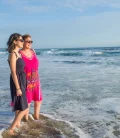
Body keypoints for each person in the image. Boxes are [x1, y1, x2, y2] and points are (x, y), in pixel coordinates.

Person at [6, 33, 28, 135]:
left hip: (22, 81)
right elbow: (13, 72)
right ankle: (11, 129)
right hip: (17, 82)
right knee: (25, 108)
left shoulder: (18, 53)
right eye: (21, 40)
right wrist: (18, 88)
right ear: (15, 41)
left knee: (19, 106)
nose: (22, 42)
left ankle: (17, 125)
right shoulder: (12, 54)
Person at [19, 34, 42, 120]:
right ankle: (26, 120)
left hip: (36, 81)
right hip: (26, 82)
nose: (30, 43)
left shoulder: (33, 51)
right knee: (27, 103)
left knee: (38, 100)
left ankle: (37, 118)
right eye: (28, 41)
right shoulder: (19, 54)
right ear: (23, 42)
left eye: (31, 41)